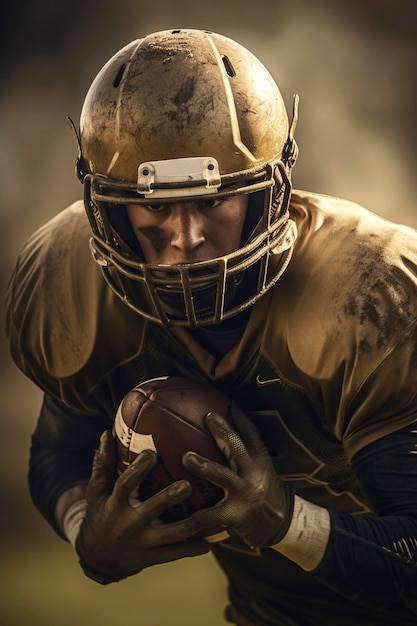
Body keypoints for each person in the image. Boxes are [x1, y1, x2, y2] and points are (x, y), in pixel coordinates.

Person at [5, 28, 417, 625]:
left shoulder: (365, 296)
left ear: (270, 192)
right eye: (155, 205)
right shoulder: (76, 288)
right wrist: (86, 534)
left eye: (212, 200)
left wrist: (282, 522)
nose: (185, 237)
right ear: (109, 208)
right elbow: (58, 449)